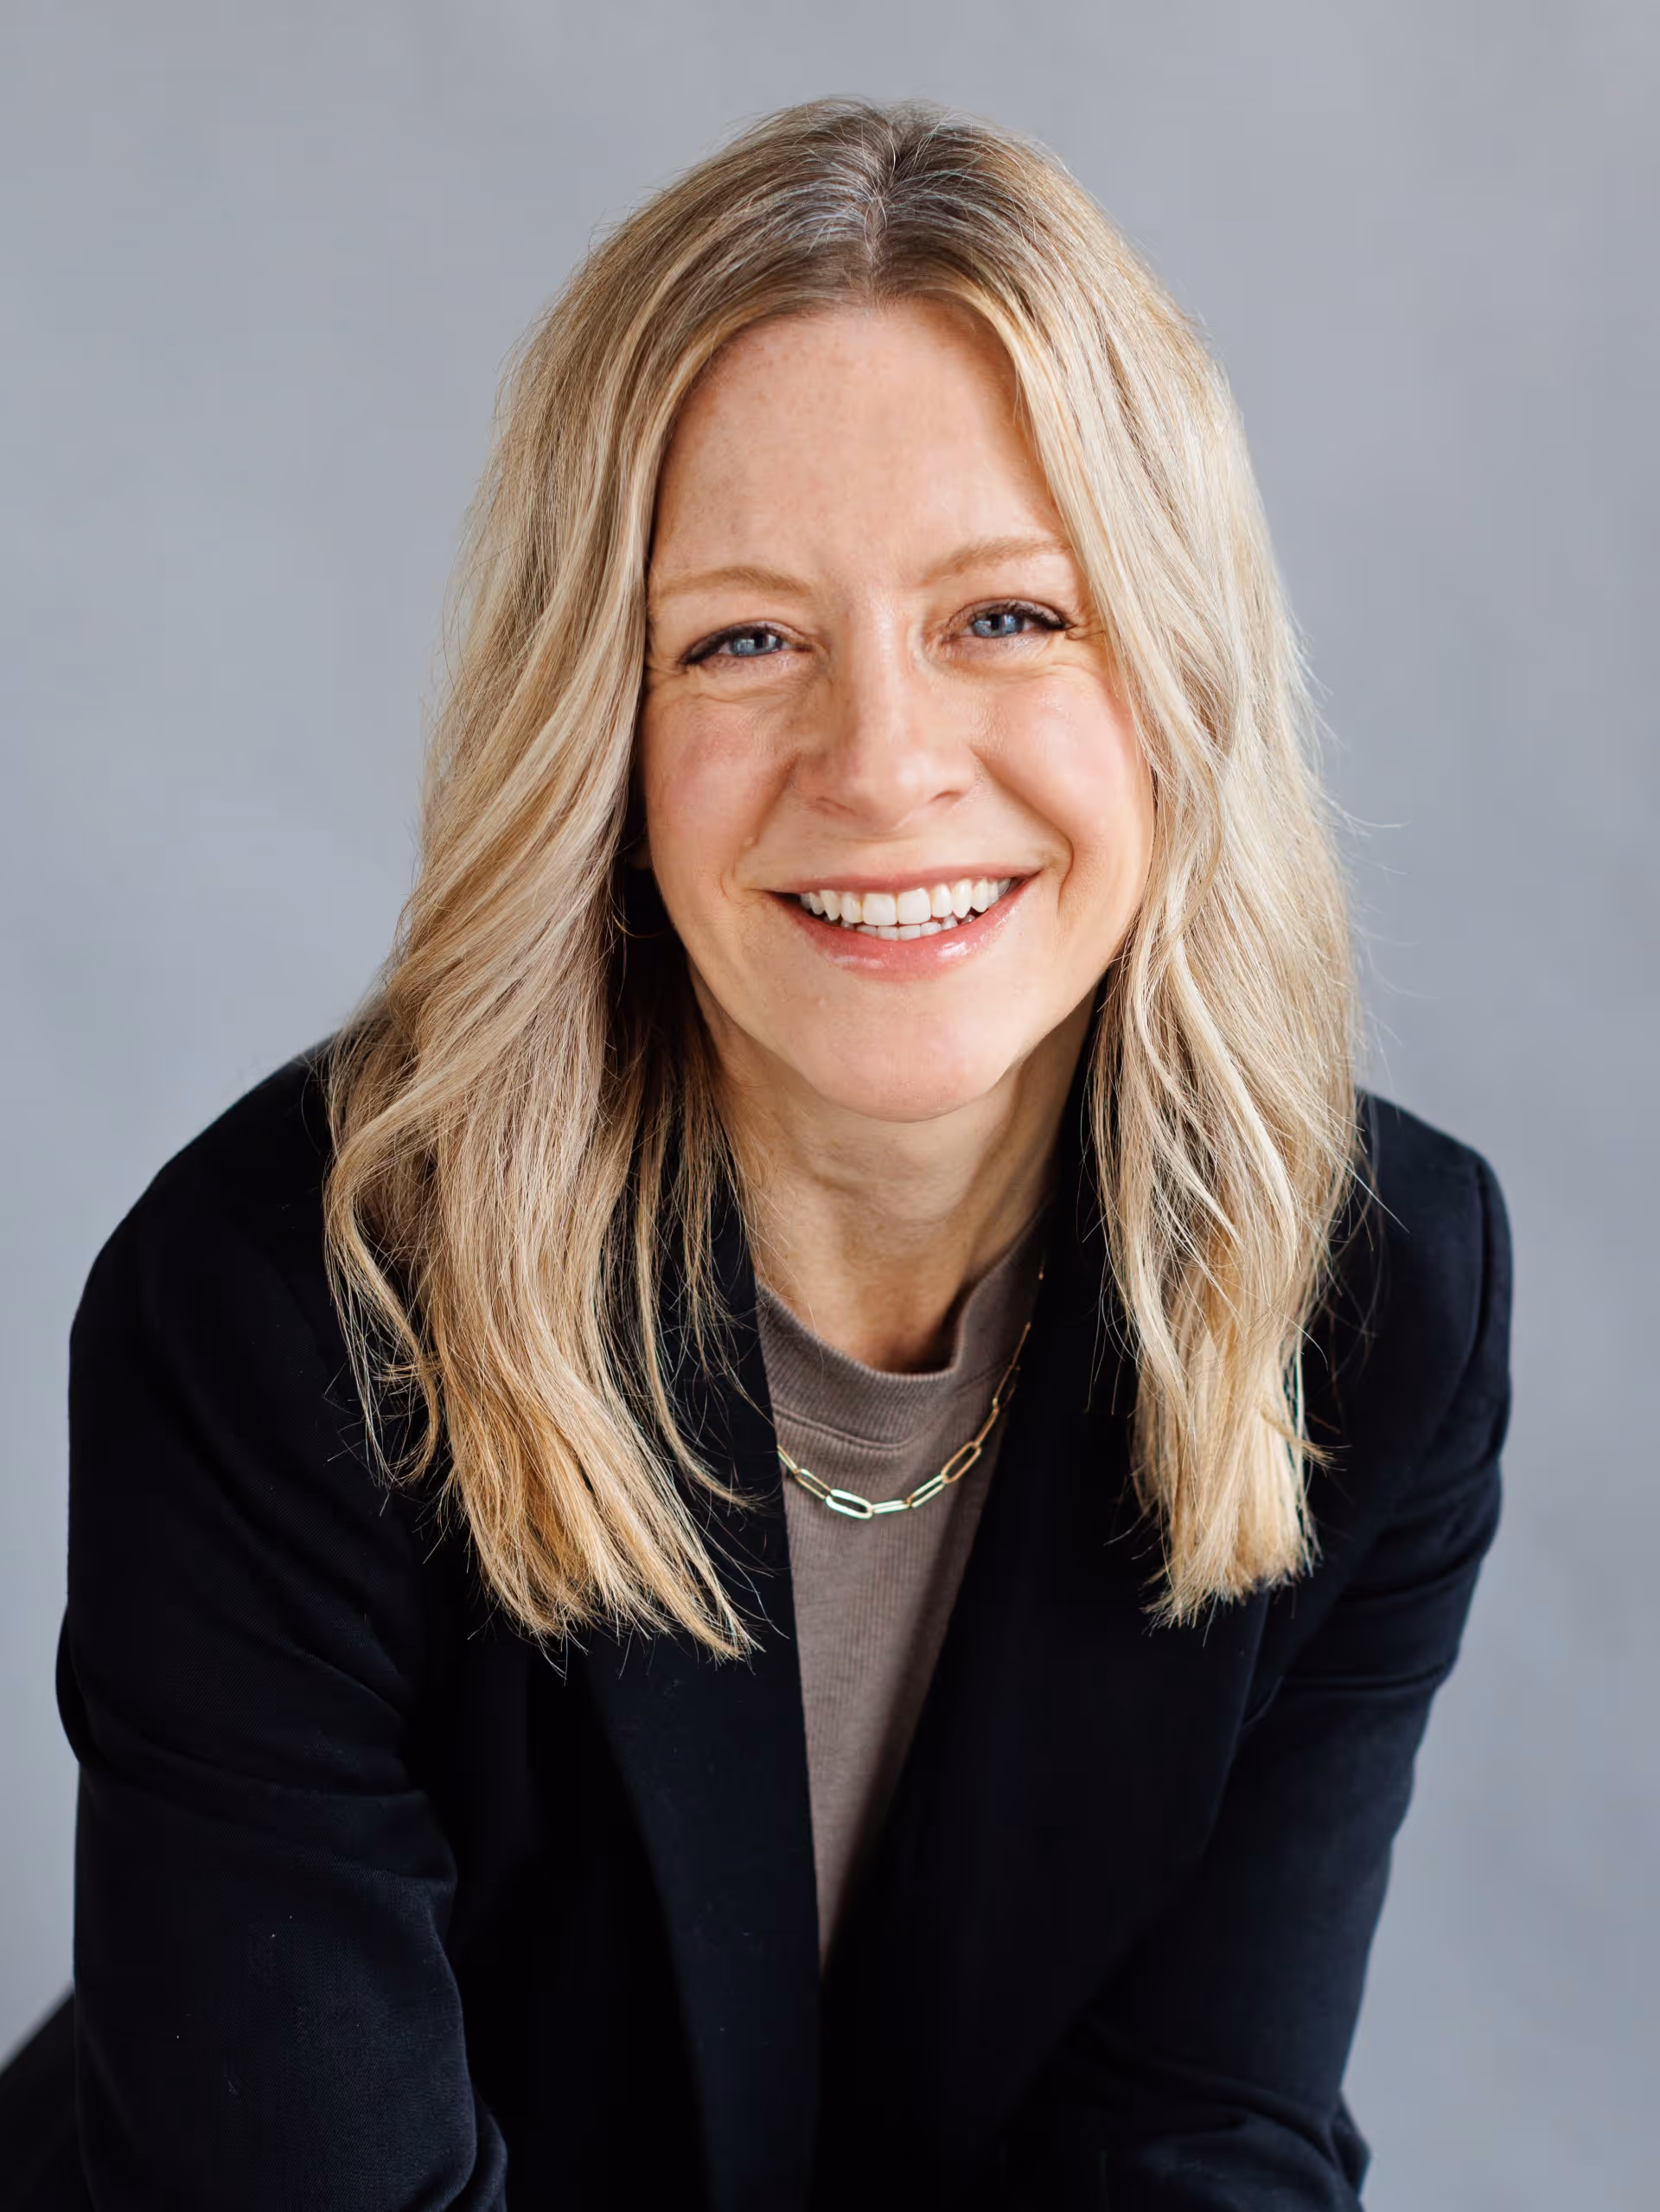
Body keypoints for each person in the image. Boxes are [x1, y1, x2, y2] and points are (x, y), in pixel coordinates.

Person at [27, 97, 1510, 2210]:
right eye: (742, 639)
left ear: (1177, 677)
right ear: (599, 734)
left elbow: (1198, 2133)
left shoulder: (1378, 1298)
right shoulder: (278, 1313)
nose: (883, 765)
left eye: (1008, 615)